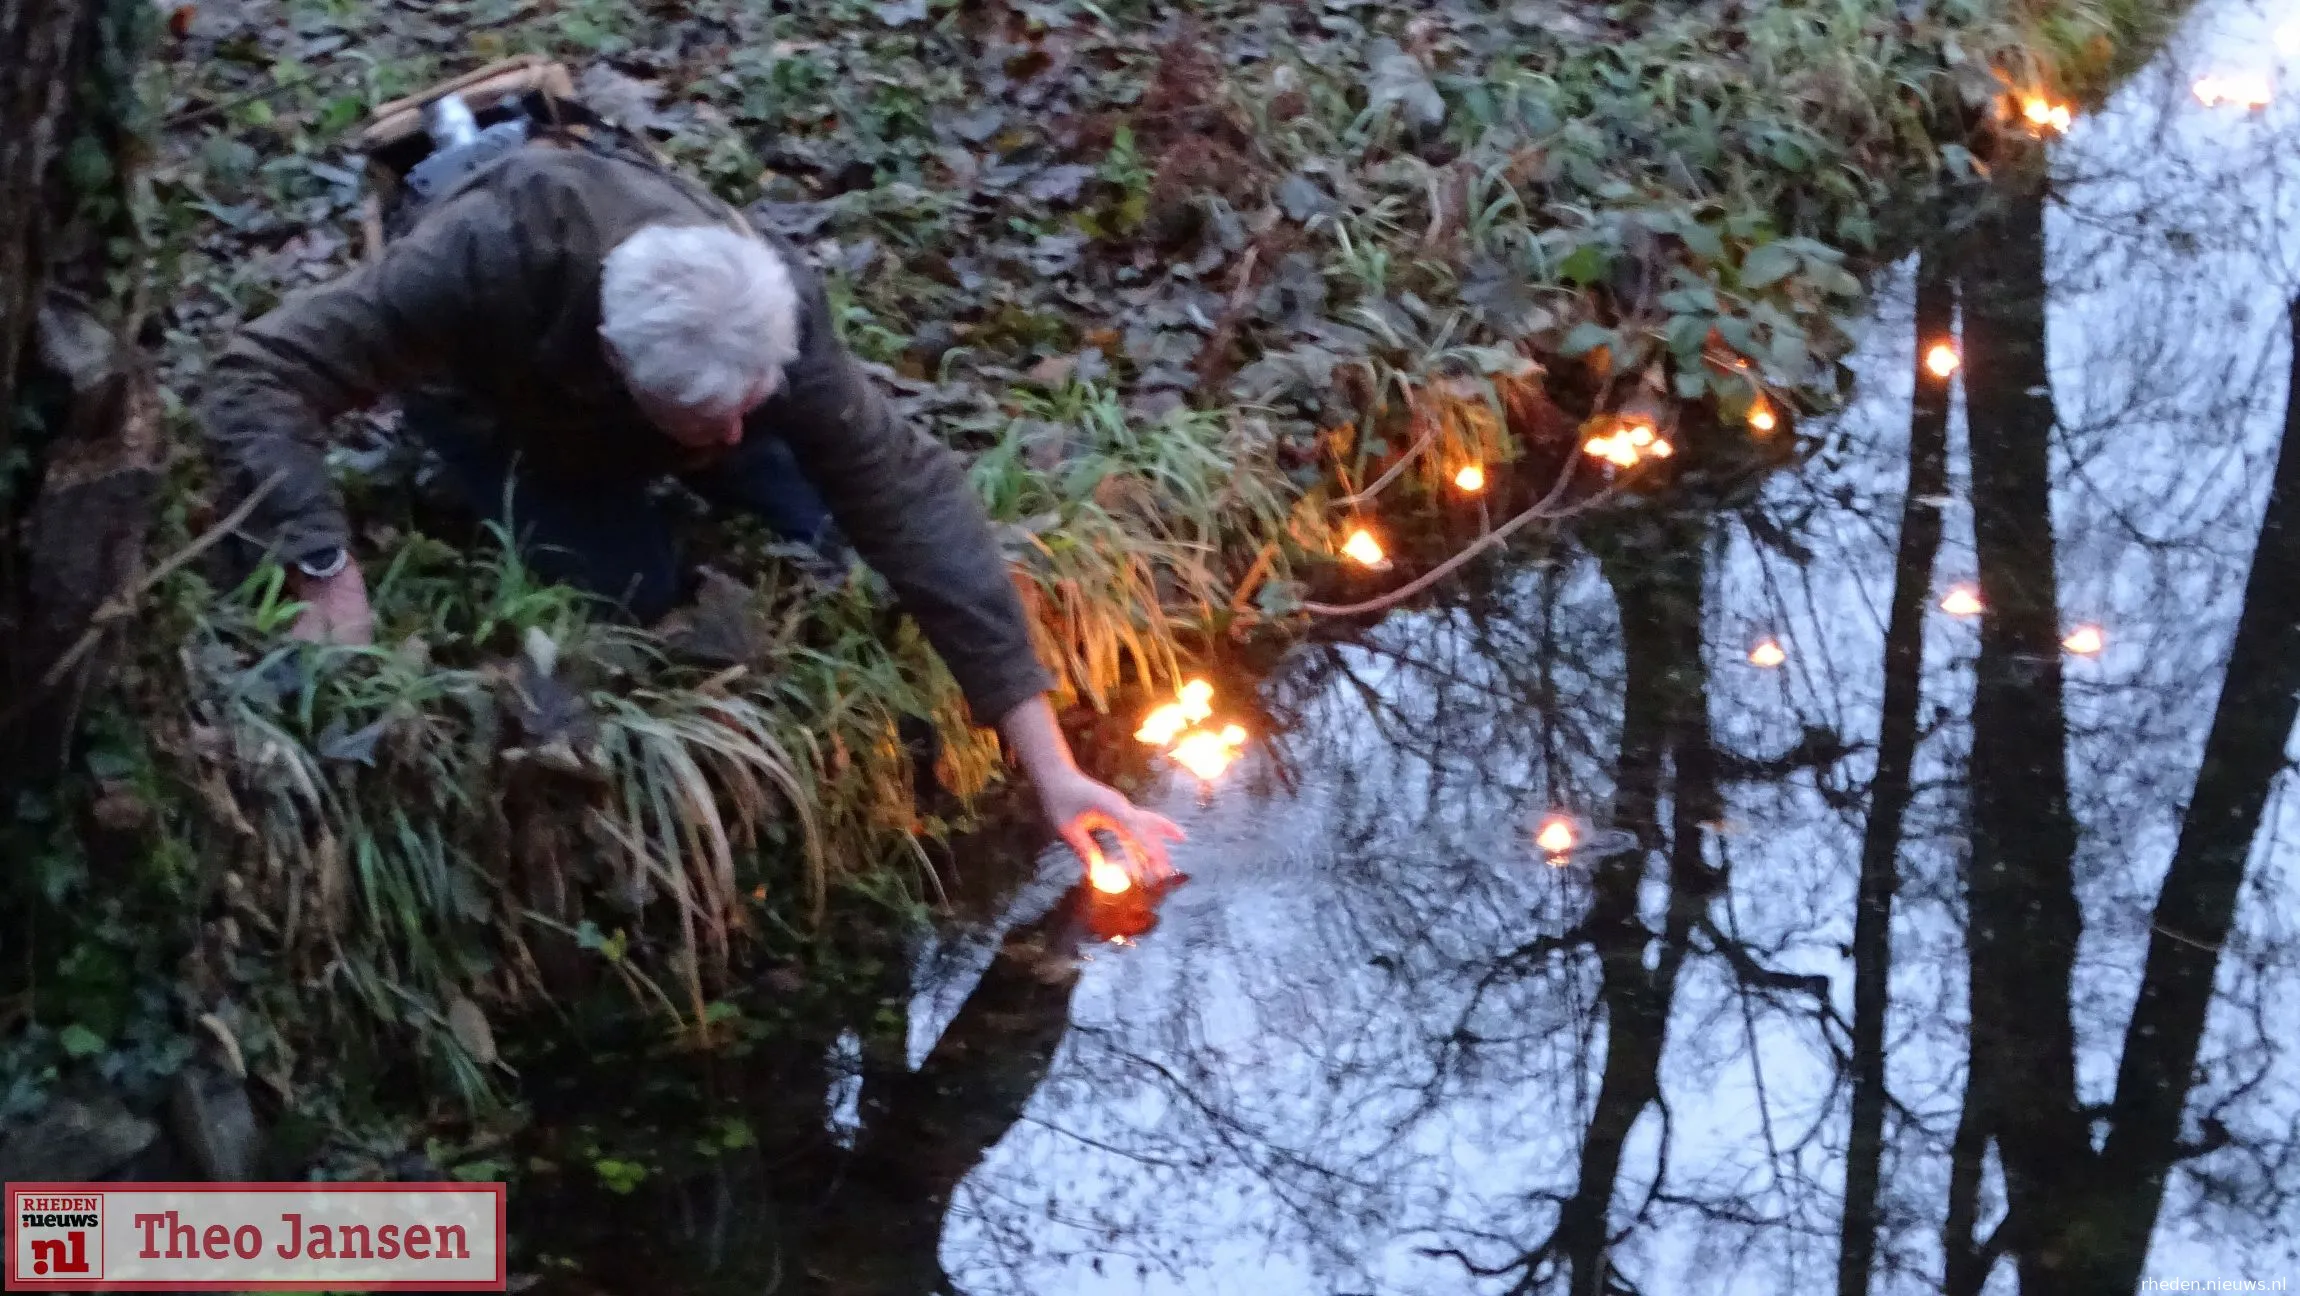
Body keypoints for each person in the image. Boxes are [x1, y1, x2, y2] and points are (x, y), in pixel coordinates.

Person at [196, 118, 1182, 880]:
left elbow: (908, 493)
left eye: (747, 412)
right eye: (705, 423)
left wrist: (1050, 767)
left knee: (832, 521)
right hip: (502, 401)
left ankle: (703, 442)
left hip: (679, 374)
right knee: (627, 588)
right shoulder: (477, 258)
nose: (730, 443)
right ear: (619, 362)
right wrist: (317, 559)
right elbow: (252, 378)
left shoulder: (768, 306)